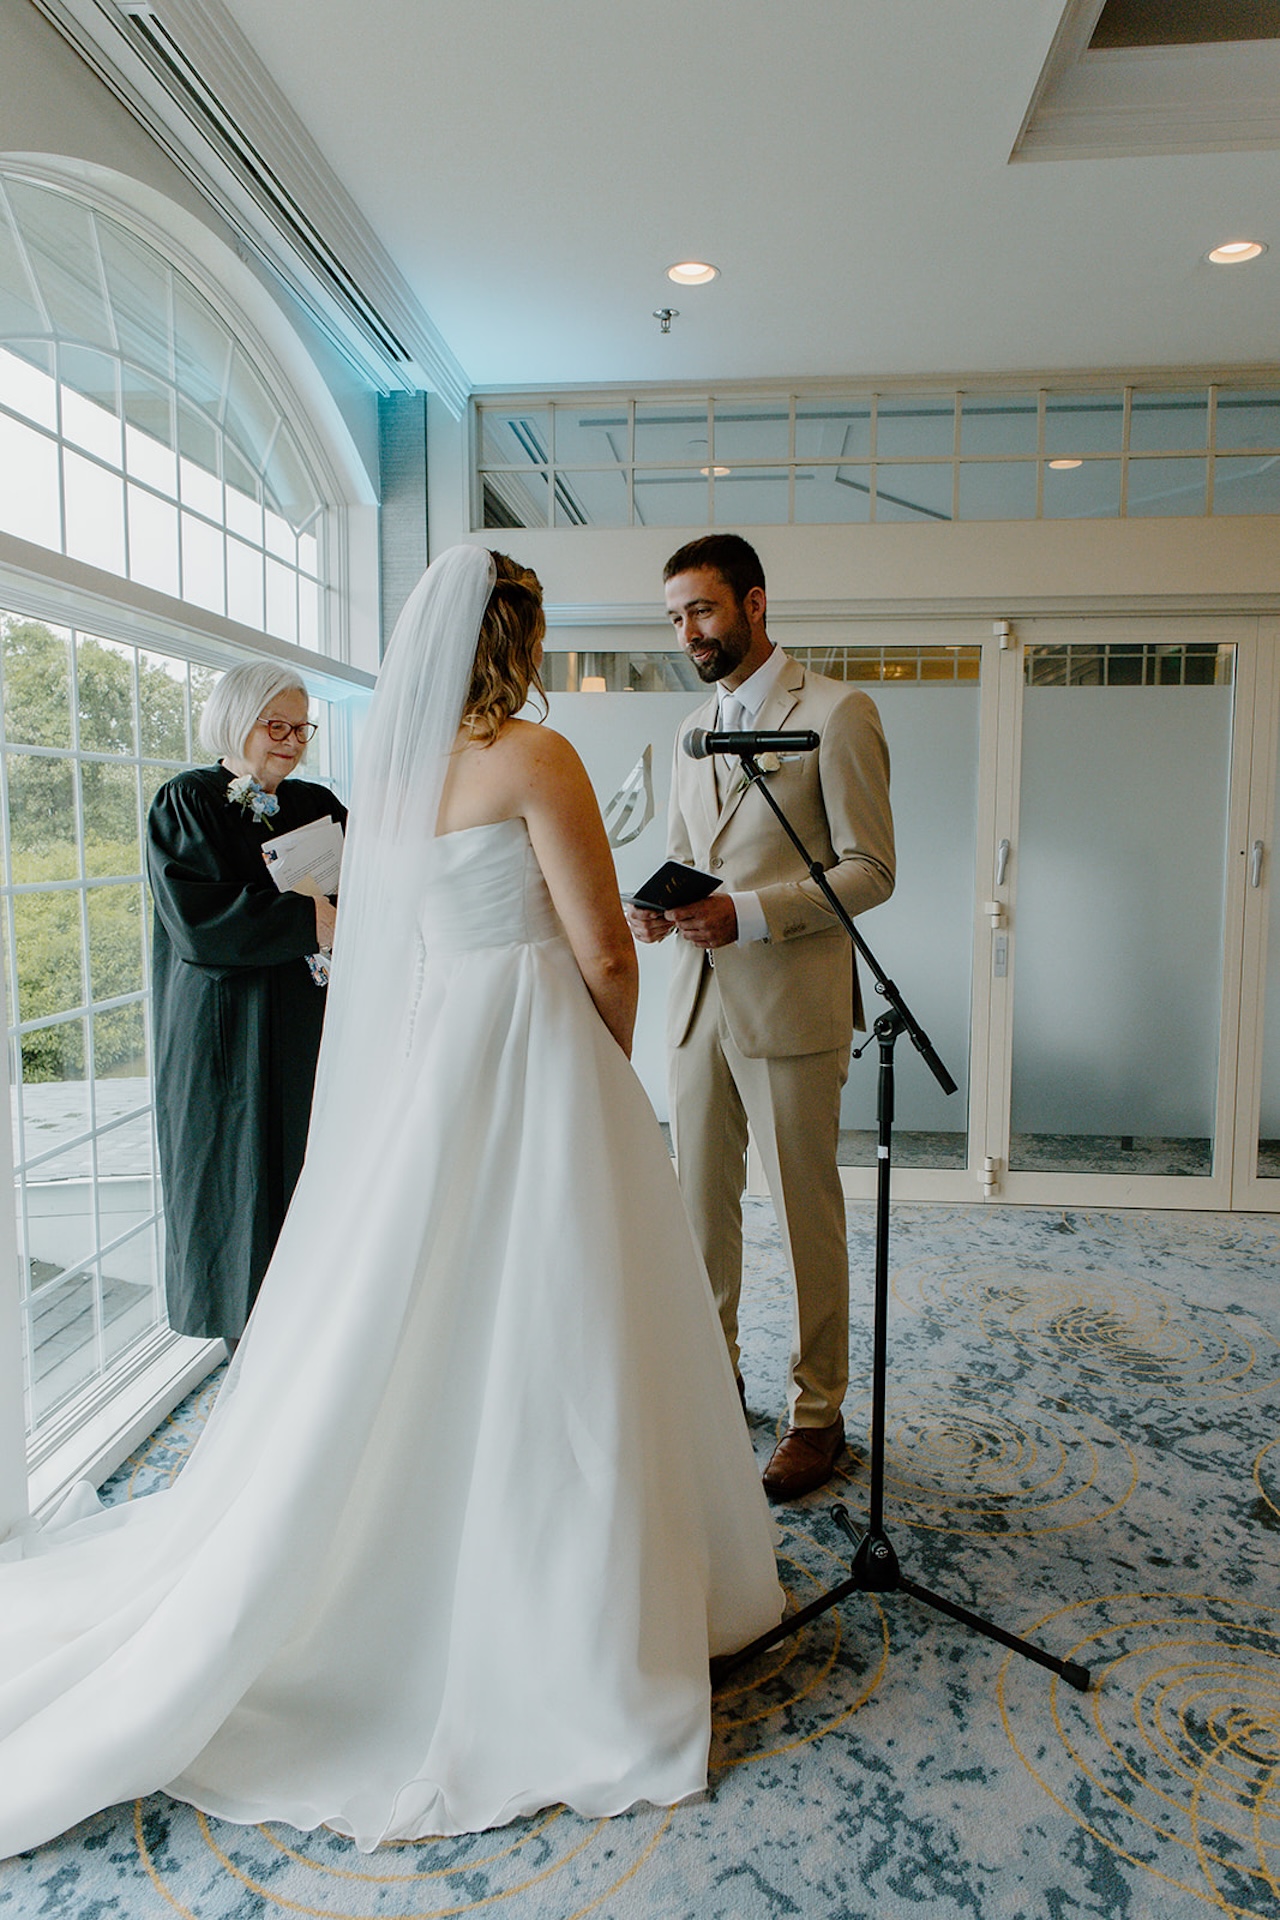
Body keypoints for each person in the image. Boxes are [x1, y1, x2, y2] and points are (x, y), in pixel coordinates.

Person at [0, 545, 781, 1859]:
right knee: (564, 1316)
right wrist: (607, 1060)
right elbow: (599, 945)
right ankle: (581, 1613)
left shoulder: (400, 783)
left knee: (425, 1310)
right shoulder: (537, 757)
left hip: (442, 1053)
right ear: (517, 643)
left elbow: (396, 943)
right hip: (536, 1042)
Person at [626, 534, 895, 1503]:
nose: (685, 633)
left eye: (698, 610)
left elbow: (871, 868)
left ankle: (815, 1413)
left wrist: (746, 914)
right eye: (673, 618)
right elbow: (687, 851)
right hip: (695, 1004)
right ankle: (713, 1382)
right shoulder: (687, 733)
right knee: (697, 1214)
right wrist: (657, 910)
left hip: (791, 1004)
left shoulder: (834, 712)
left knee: (802, 1216)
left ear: (752, 603)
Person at [147, 664, 346, 1344]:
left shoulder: (317, 804)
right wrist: (313, 919)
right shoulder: (188, 802)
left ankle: (313, 1352)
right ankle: (248, 1363)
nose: (291, 741)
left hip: (310, 1026)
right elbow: (199, 922)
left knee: (312, 1177)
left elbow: (369, 885)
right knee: (239, 1188)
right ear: (237, 722)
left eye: (301, 728)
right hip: (226, 1034)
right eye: (277, 726)